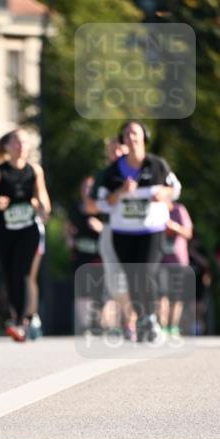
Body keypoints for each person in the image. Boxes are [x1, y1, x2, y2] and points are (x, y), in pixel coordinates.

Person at [96, 120, 181, 342]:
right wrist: (121, 192)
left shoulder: (157, 165)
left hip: (152, 230)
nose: (131, 137)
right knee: (133, 277)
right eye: (127, 133)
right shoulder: (113, 171)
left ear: (144, 136)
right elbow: (102, 203)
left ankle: (150, 318)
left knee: (146, 272)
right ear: (123, 140)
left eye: (135, 132)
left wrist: (164, 194)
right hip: (123, 232)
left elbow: (175, 188)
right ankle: (142, 319)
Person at [0, 129, 51, 342]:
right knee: (10, 275)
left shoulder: (35, 171)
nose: (20, 146)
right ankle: (18, 317)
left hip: (28, 231)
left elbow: (44, 200)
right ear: (7, 147)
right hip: (4, 233)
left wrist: (41, 206)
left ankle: (23, 321)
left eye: (24, 142)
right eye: (16, 142)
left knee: (25, 273)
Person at [86, 136, 136, 339]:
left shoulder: (141, 170)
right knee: (115, 280)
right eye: (111, 150)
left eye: (119, 150)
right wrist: (116, 195)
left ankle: (134, 321)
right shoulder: (105, 175)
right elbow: (90, 206)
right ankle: (127, 322)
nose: (115, 154)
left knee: (137, 276)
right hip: (111, 229)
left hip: (137, 230)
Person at [67, 176, 105, 335]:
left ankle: (99, 324)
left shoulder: (102, 207)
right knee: (82, 291)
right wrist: (69, 239)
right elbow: (67, 226)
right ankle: (85, 326)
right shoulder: (76, 208)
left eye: (90, 187)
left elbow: (113, 230)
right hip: (80, 255)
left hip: (98, 256)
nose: (87, 191)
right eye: (85, 187)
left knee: (98, 291)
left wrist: (100, 227)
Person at [158, 201, 192, 338]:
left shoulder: (179, 209)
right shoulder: (155, 208)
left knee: (176, 295)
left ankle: (173, 326)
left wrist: (174, 227)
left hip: (178, 261)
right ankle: (162, 326)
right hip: (160, 260)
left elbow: (188, 233)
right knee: (161, 294)